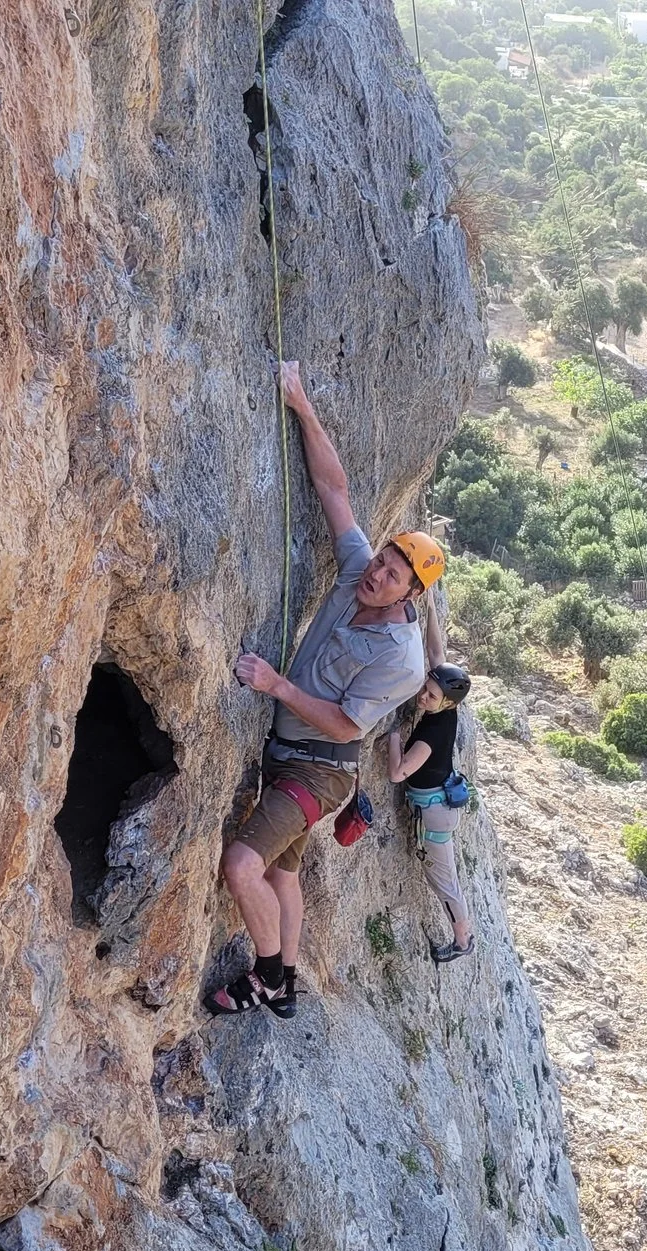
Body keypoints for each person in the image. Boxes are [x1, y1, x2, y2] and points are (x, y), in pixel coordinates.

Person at [209, 361, 445, 1020]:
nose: (377, 573)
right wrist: (302, 406)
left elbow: (346, 727)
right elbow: (332, 487)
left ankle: (264, 978)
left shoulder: (398, 660)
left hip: (318, 772)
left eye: (393, 575)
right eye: (381, 561)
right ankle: (286, 980)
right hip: (292, 758)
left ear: (411, 594)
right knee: (285, 873)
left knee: (242, 865)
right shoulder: (356, 575)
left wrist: (276, 684)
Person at [387, 663, 473, 963]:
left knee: (445, 884)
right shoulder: (448, 709)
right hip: (438, 806)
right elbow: (438, 655)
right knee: (447, 879)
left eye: (431, 695)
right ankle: (463, 936)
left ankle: (463, 941)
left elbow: (398, 773)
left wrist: (394, 738)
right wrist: (430, 615)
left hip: (434, 815)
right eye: (425, 688)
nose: (423, 696)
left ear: (446, 701)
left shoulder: (431, 735)